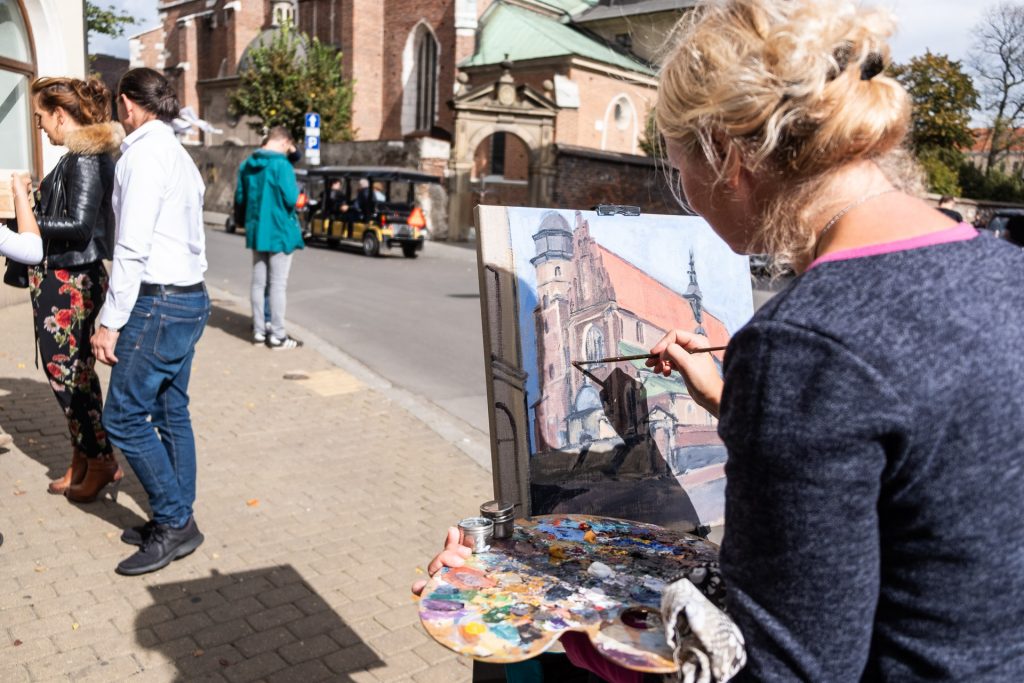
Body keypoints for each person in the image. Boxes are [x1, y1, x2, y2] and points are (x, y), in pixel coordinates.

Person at [417, 0, 1024, 680]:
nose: (688, 198)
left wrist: (564, 620)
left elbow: (777, 668)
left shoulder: (806, 344)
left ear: (730, 158)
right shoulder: (1008, 273)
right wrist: (742, 406)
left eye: (679, 171)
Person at [91, 67, 210, 576]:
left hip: (158, 302)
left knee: (122, 417)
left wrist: (109, 321)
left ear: (126, 104)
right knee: (169, 408)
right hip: (190, 299)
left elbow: (132, 248)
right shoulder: (181, 157)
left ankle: (173, 521)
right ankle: (180, 518)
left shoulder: (141, 156)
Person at [15, 78, 122, 501]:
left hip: (72, 279)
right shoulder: (76, 158)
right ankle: (84, 456)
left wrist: (22, 221)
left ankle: (100, 460)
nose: (39, 125)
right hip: (64, 278)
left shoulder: (86, 158)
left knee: (68, 377)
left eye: (41, 116)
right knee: (72, 375)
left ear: (61, 114)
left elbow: (79, 227)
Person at [234, 126, 305, 349]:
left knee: (258, 283)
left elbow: (240, 198)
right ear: (284, 143)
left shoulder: (248, 164)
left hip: (257, 230)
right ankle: (277, 335)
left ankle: (258, 330)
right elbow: (292, 198)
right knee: (277, 285)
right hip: (280, 231)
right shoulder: (281, 165)